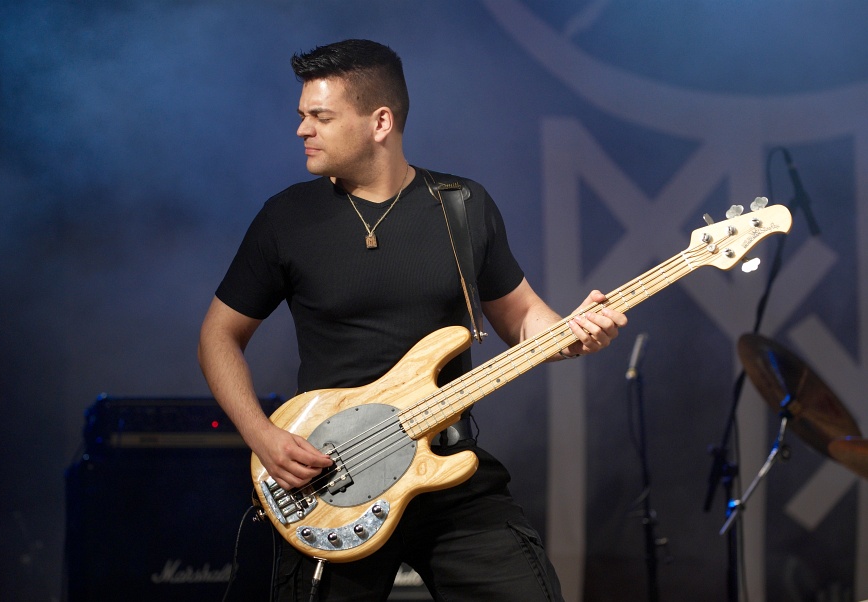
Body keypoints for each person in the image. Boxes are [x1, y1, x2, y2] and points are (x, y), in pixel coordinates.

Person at [198, 39, 627, 602]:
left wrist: (573, 335)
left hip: (447, 465)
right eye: (302, 115)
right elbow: (218, 336)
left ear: (380, 122)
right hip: (335, 481)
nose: (302, 129)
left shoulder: (462, 205)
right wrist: (263, 437)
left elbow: (524, 317)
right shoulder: (287, 218)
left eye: (320, 117)